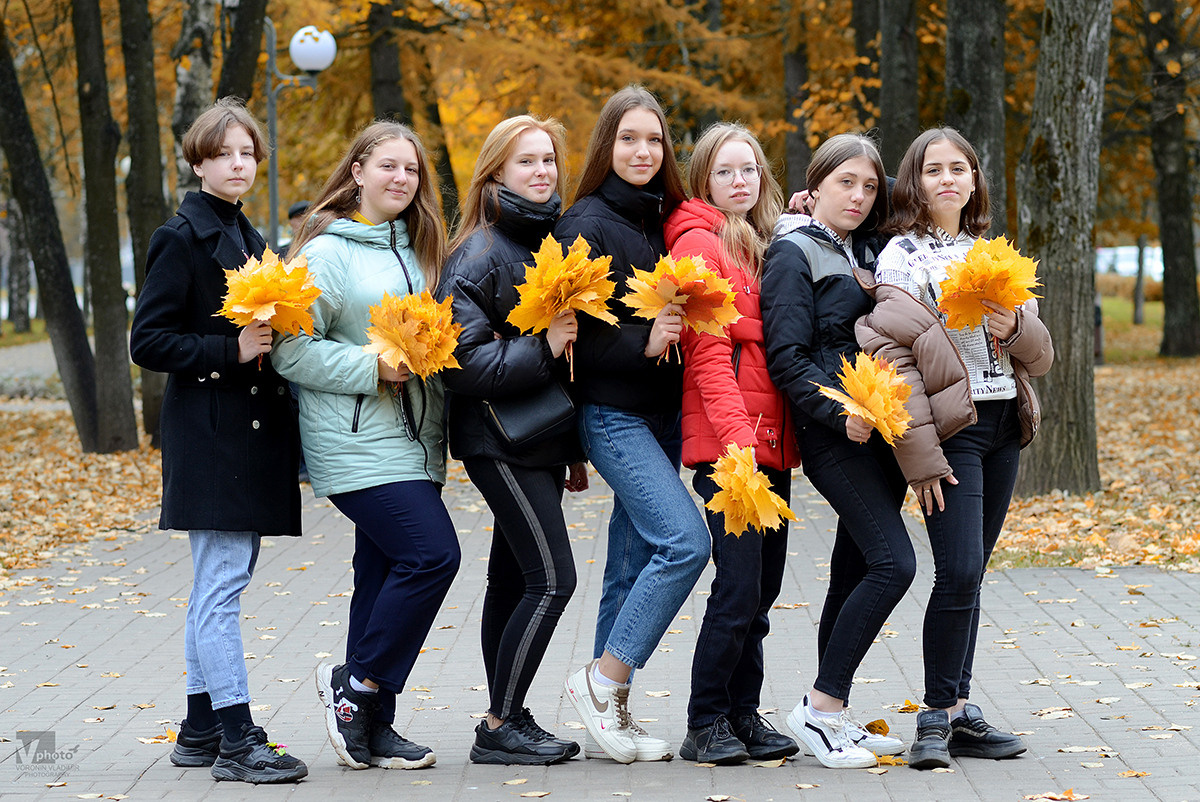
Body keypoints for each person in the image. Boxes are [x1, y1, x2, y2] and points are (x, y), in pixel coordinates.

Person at [860, 127, 1053, 769]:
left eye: (959, 169)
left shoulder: (993, 252)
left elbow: (1043, 355)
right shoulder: (901, 258)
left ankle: (960, 708)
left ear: (974, 181)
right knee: (960, 569)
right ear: (914, 181)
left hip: (1004, 427)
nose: (947, 179)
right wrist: (919, 457)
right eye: (933, 169)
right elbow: (893, 359)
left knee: (973, 574)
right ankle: (936, 718)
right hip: (953, 433)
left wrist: (1017, 324)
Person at [272, 120, 460, 771]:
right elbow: (291, 350)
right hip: (353, 440)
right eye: (388, 166)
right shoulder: (327, 253)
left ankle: (373, 726)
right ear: (357, 171)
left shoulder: (420, 248)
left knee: (380, 575)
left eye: (411, 169)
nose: (401, 178)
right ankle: (354, 687)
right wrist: (370, 367)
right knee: (433, 555)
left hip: (416, 439)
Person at [129, 97, 307, 784]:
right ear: (197, 159)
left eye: (247, 153)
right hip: (211, 436)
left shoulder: (246, 232)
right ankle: (236, 736)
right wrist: (225, 350)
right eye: (225, 153)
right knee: (222, 585)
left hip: (244, 434)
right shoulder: (181, 236)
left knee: (216, 581)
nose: (239, 163)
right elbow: (148, 340)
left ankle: (200, 728)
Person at [555, 85, 709, 765]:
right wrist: (641, 343)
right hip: (611, 414)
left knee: (631, 562)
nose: (642, 151)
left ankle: (607, 710)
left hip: (664, 415)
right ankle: (601, 679)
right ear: (606, 146)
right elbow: (564, 335)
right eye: (628, 139)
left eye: (654, 140)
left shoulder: (669, 218)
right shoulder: (581, 223)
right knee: (684, 542)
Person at [435, 115, 587, 765]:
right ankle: (500, 725)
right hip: (498, 439)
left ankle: (509, 714)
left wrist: (573, 447)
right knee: (553, 580)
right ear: (495, 173)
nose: (542, 171)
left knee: (513, 579)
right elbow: (461, 364)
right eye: (527, 162)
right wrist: (543, 344)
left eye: (549, 160)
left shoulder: (546, 240)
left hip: (542, 437)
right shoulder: (479, 252)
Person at [760, 133, 911, 770]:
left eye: (869, 185)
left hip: (884, 435)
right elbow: (787, 358)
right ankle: (818, 711)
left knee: (853, 570)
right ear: (815, 186)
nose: (857, 195)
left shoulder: (866, 248)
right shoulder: (793, 253)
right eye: (844, 181)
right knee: (893, 564)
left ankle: (836, 712)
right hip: (835, 436)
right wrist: (836, 411)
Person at [663, 122, 800, 765]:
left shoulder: (761, 239)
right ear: (703, 181)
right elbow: (709, 360)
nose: (739, 180)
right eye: (725, 171)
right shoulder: (699, 241)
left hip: (769, 442)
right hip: (731, 447)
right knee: (738, 589)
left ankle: (745, 714)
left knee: (764, 591)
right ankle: (705, 720)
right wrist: (739, 444)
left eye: (749, 170)